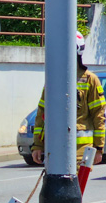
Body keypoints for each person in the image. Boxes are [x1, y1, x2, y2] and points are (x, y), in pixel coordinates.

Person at [31, 31, 105, 167]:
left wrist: (99, 148)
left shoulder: (90, 80)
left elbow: (99, 115)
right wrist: (37, 145)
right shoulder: (53, 80)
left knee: (76, 188)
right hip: (54, 150)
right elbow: (42, 113)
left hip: (81, 152)